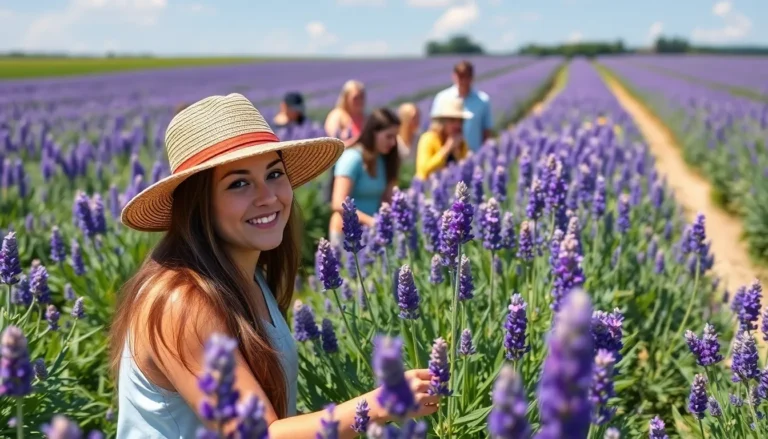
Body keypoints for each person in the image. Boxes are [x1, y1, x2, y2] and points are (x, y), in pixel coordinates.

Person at [109, 93, 436, 438]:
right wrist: (379, 405)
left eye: (274, 173)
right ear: (197, 203)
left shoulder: (247, 277)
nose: (268, 196)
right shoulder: (182, 302)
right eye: (239, 183)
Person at [328, 108, 401, 246]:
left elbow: (387, 197)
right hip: (346, 234)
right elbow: (338, 203)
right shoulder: (352, 158)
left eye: (395, 137)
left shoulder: (383, 160)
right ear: (374, 133)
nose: (393, 143)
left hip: (371, 234)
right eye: (389, 136)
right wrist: (371, 221)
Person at [430, 60, 493, 152]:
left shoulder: (483, 100)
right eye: (460, 76)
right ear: (453, 76)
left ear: (472, 78)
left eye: (466, 76)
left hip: (473, 155)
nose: (463, 80)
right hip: (446, 155)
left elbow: (486, 132)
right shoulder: (442, 98)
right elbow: (434, 128)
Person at [415, 96, 472, 180]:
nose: (457, 125)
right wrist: (447, 149)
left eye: (460, 121)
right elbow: (424, 170)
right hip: (428, 188)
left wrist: (457, 152)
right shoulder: (428, 138)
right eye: (452, 120)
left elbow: (465, 169)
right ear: (442, 121)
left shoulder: (461, 141)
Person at [324, 80, 366, 146]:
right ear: (346, 98)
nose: (359, 101)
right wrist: (356, 140)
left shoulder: (365, 118)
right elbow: (334, 144)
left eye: (361, 97)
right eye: (355, 98)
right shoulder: (336, 116)